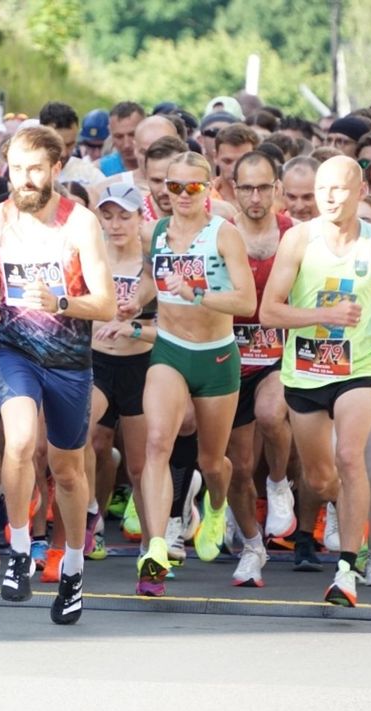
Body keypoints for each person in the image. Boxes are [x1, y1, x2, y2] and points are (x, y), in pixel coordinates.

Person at [259, 156, 371, 607]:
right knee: (322, 480)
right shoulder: (298, 240)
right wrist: (324, 315)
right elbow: (269, 311)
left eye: (338, 189)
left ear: (360, 191)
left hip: (359, 368)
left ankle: (347, 570)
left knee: (350, 457)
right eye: (322, 189)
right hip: (305, 371)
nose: (328, 197)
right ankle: (335, 509)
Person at [0, 125, 117, 624]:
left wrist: (62, 301)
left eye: (34, 169)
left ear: (55, 169)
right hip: (14, 350)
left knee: (68, 469)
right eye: (16, 168)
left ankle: (72, 568)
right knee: (20, 441)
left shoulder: (79, 225)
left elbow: (107, 304)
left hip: (70, 359)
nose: (24, 179)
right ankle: (20, 551)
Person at [119, 152, 256, 592]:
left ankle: (215, 507)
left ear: (209, 187)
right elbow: (150, 281)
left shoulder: (224, 234)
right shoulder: (156, 232)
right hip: (170, 350)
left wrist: (197, 291)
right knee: (157, 443)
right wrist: (134, 302)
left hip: (216, 356)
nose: (179, 195)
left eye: (191, 187)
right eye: (172, 187)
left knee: (211, 462)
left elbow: (246, 303)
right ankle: (156, 549)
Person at [226, 152, 297, 553]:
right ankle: (240, 522)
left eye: (263, 187)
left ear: (276, 189)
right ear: (234, 190)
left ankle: (279, 484)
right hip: (230, 351)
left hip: (276, 350)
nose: (255, 196)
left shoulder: (292, 234)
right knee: (239, 462)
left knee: (271, 414)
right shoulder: (221, 232)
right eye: (247, 187)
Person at [85, 183, 156, 576]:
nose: (115, 224)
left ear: (140, 219)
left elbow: (166, 330)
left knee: (142, 464)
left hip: (140, 367)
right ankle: (92, 517)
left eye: (124, 216)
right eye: (107, 216)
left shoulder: (151, 264)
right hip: (96, 362)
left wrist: (130, 328)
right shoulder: (90, 258)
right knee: (91, 441)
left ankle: (152, 543)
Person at [97, 102, 146, 176]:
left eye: (132, 135)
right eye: (119, 136)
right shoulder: (98, 172)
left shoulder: (165, 167)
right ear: (110, 133)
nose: (126, 145)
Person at [281, 157, 320, 223]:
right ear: (283, 194)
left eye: (307, 197)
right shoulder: (274, 229)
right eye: (292, 197)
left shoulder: (338, 230)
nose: (299, 207)